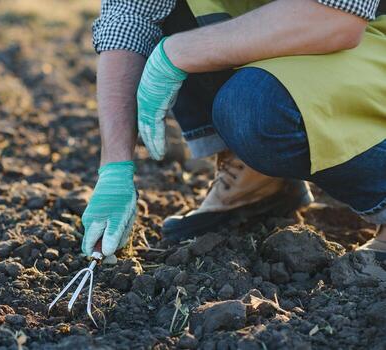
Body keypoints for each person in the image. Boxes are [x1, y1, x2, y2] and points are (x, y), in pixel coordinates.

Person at [81, 0, 386, 261]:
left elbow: (337, 16)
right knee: (172, 12)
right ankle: (258, 178)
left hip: (367, 32)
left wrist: (179, 53)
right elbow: (130, 16)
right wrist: (115, 170)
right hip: (306, 38)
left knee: (256, 106)